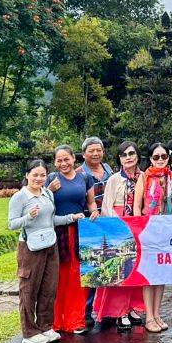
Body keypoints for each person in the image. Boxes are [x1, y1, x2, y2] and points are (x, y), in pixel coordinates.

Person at [9, 159, 84, 343]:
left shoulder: (48, 194)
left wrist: (71, 217)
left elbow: (52, 220)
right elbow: (12, 224)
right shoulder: (20, 197)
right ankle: (29, 333)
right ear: (27, 175)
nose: (39, 178)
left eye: (42, 175)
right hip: (30, 247)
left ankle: (45, 326)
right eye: (35, 175)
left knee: (49, 288)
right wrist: (28, 217)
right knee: (29, 290)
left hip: (50, 244)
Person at [93, 142, 148, 330]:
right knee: (121, 268)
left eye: (131, 153)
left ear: (138, 156)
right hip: (119, 226)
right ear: (119, 159)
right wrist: (120, 226)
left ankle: (133, 307)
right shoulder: (115, 179)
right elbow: (106, 206)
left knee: (136, 269)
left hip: (139, 225)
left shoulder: (144, 177)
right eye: (124, 155)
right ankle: (120, 311)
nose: (128, 157)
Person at [47, 146, 99, 335]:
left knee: (78, 275)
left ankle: (76, 320)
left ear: (73, 159)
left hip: (80, 231)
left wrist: (94, 211)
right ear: (55, 162)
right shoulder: (51, 179)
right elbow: (42, 204)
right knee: (59, 276)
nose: (63, 163)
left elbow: (90, 202)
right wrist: (49, 190)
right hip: (58, 232)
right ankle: (57, 322)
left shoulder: (84, 178)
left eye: (66, 159)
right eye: (59, 160)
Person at [134, 142, 172, 333]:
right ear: (150, 159)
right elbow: (137, 205)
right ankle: (149, 316)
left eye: (163, 156)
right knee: (149, 274)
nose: (160, 160)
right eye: (156, 157)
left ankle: (157, 314)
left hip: (167, 228)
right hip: (148, 228)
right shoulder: (144, 177)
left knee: (161, 274)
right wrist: (139, 228)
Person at [79, 136, 112, 324]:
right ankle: (86, 311)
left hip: (108, 224)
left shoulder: (108, 170)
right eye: (91, 150)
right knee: (90, 268)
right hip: (88, 226)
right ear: (84, 154)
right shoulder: (79, 174)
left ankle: (107, 310)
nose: (95, 153)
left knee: (109, 267)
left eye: (98, 150)